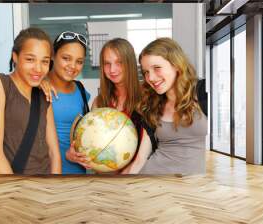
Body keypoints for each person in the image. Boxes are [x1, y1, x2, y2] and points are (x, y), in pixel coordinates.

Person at [123, 37, 207, 175]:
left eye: (157, 68)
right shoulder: (151, 105)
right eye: (146, 72)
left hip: (197, 189)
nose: (151, 78)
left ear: (176, 65)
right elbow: (140, 159)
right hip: (154, 183)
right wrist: (117, 186)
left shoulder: (203, 92)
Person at [0, 27, 62, 175]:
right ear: (15, 57)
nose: (38, 68)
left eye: (45, 61)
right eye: (30, 59)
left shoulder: (44, 95)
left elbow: (54, 153)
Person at [67, 38, 144, 173]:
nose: (112, 69)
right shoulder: (99, 102)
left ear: (130, 63)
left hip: (139, 179)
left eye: (119, 63)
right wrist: (75, 155)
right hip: (105, 181)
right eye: (107, 64)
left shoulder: (147, 98)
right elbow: (90, 144)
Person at [47, 31, 92, 174]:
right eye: (66, 58)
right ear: (53, 55)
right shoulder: (37, 87)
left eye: (79, 61)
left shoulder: (81, 90)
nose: (73, 66)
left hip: (78, 173)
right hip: (46, 172)